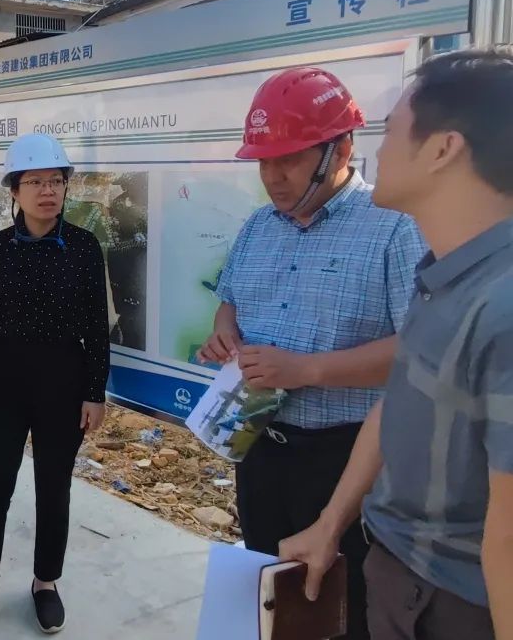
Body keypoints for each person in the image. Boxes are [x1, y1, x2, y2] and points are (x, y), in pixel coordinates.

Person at [279, 49, 513, 640]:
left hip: (461, 605)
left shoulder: (503, 306)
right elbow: (398, 402)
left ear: (443, 149)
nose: (377, 151)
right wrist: (330, 524)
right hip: (397, 573)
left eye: (390, 131)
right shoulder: (446, 273)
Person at [195, 67, 426, 640]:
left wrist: (309, 370)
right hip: (259, 446)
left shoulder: (395, 228)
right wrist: (225, 335)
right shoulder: (258, 226)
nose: (272, 177)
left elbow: (423, 347)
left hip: (347, 460)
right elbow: (229, 302)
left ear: (340, 150)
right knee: (272, 595)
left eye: (289, 160)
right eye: (263, 162)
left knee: (343, 611)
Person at [0, 133, 109, 640]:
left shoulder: (84, 246)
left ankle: (45, 583)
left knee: (53, 489)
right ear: (14, 190)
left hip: (64, 383)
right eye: (35, 182)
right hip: (5, 384)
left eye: (56, 181)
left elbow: (97, 325)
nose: (48, 191)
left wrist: (95, 392)